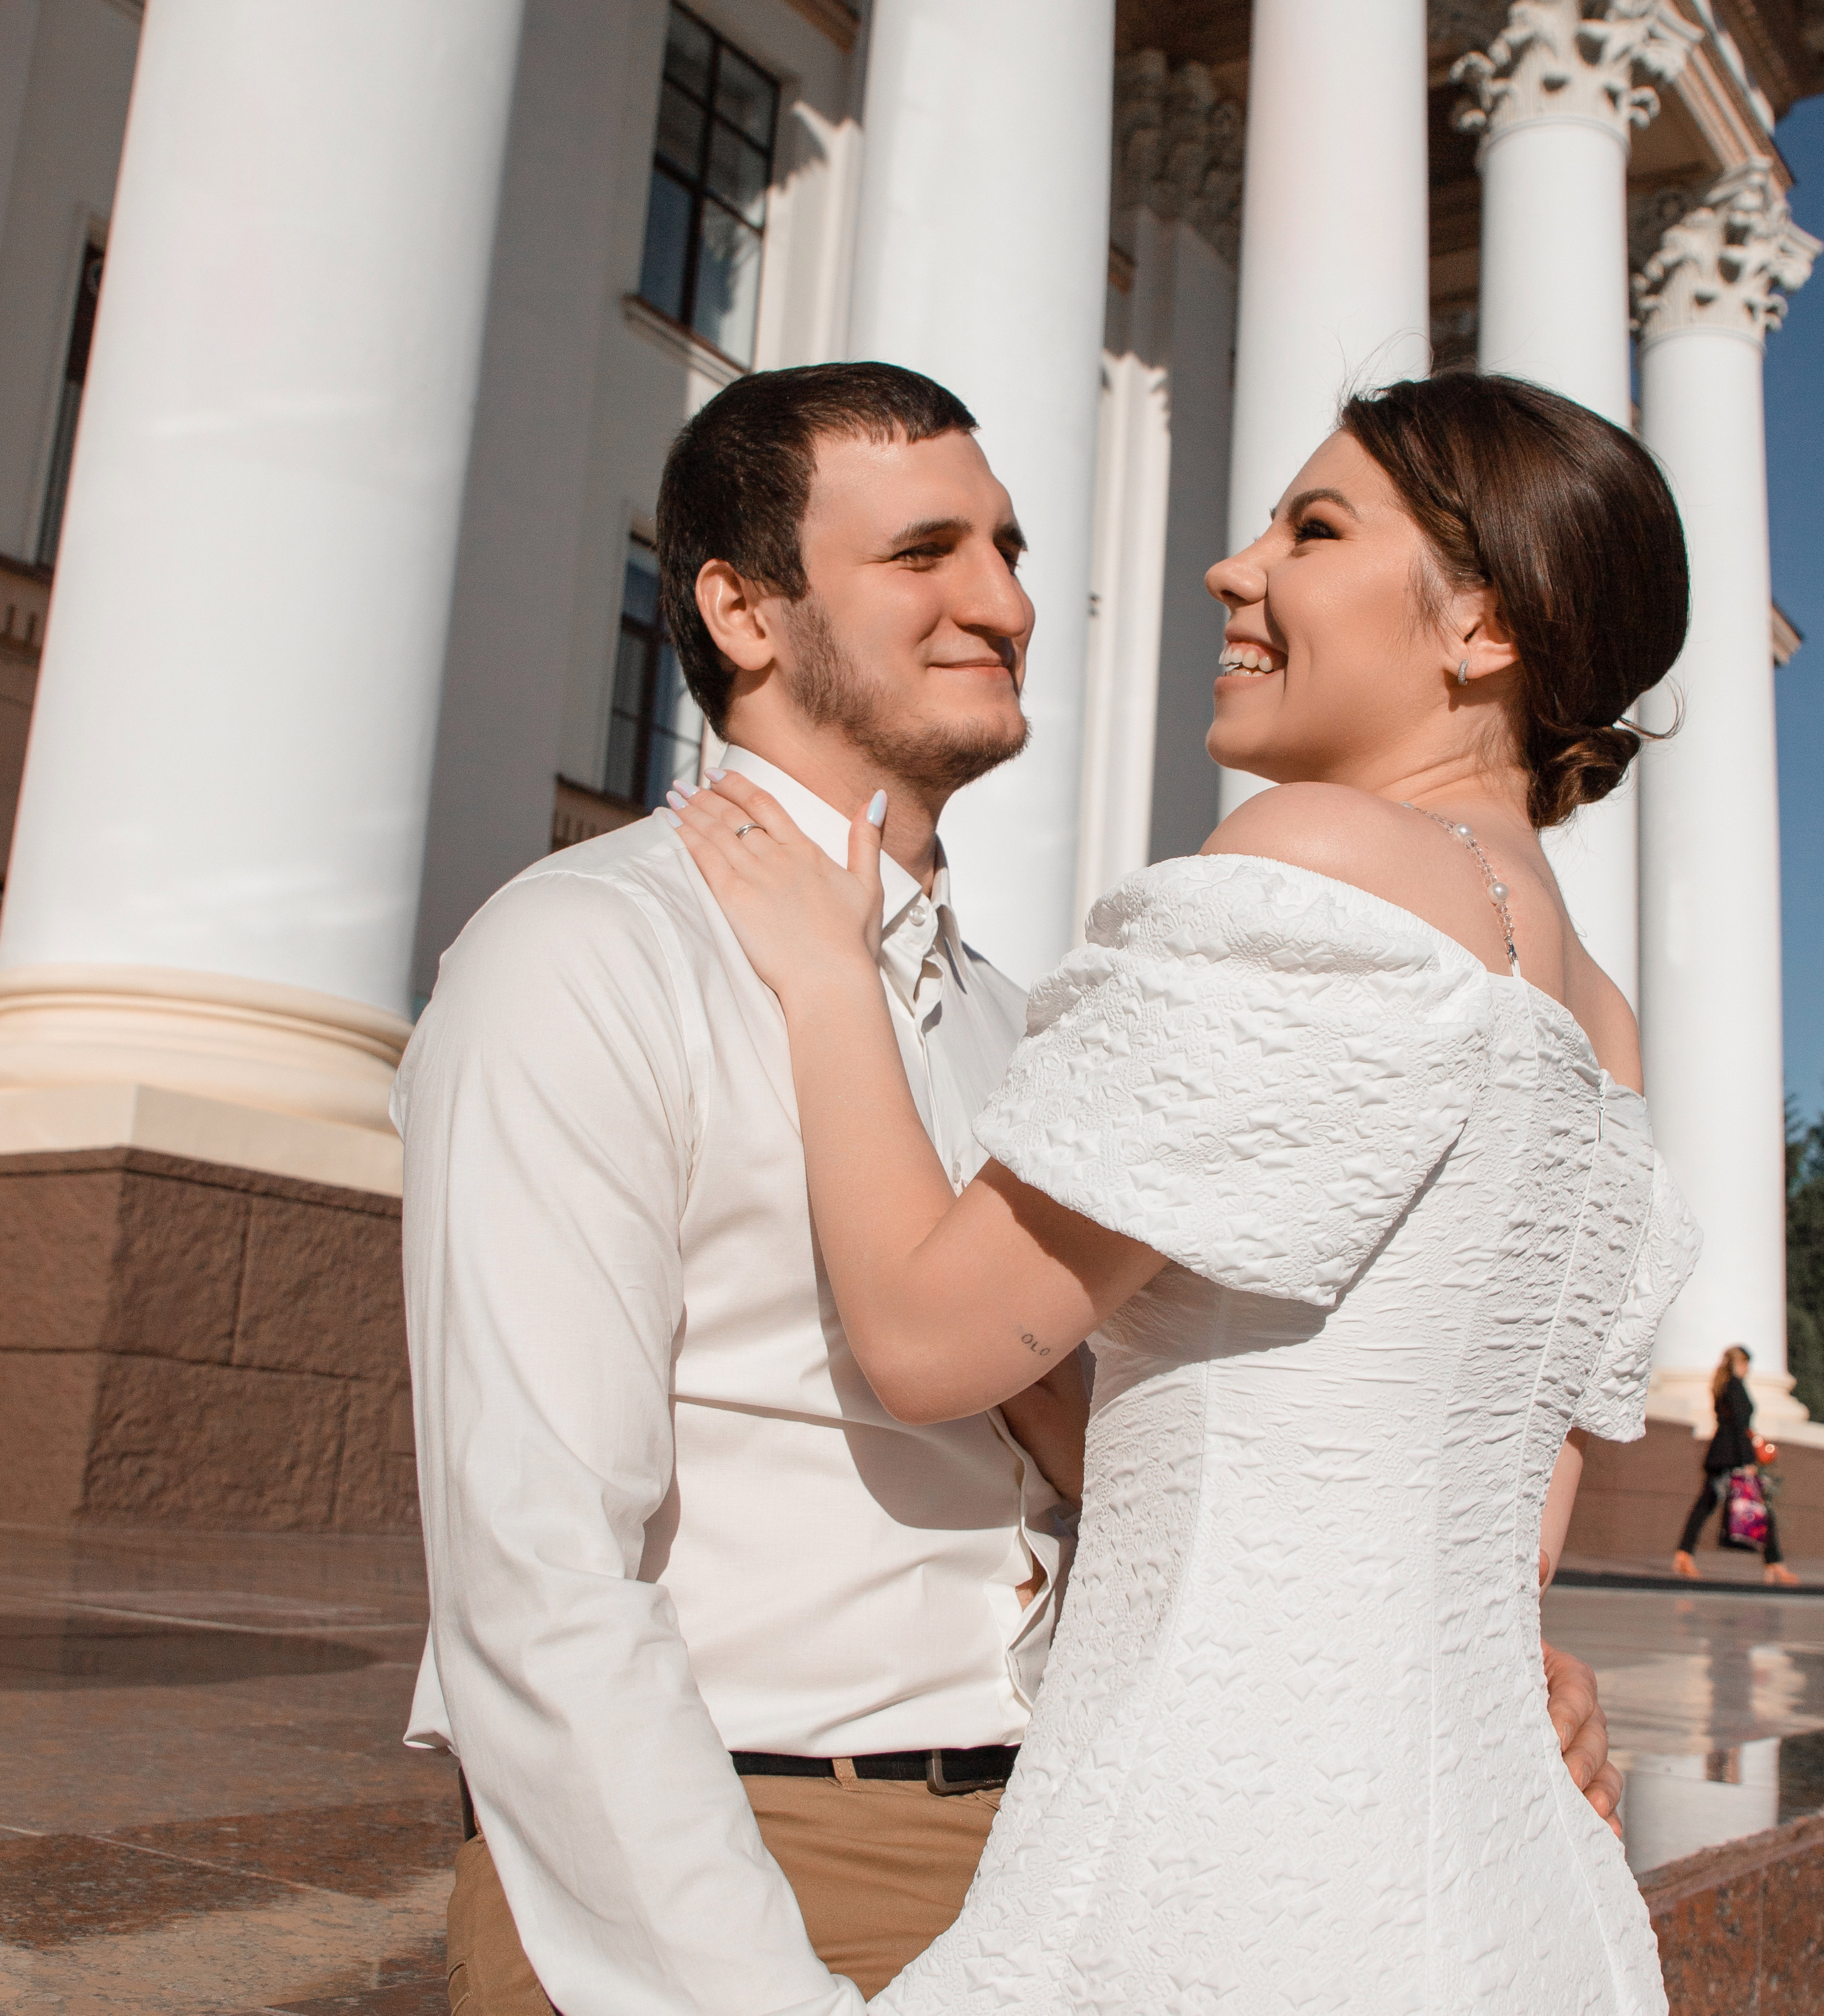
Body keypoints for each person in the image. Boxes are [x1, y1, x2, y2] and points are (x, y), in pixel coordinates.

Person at [396, 361, 1620, 2016]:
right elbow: (535, 1572)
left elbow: (1163, 1430)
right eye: (924, 553)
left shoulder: (1024, 1014)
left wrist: (1448, 1646)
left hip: (1078, 1858)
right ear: (742, 610)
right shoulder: (585, 955)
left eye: (1011, 547)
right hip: (752, 1864)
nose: (1004, 600)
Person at [1674, 1345, 1799, 1584]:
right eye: (1746, 1363)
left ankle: (1683, 1555)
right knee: (1762, 1510)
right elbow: (1740, 1428)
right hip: (1733, 1459)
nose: (1748, 1369)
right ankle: (1775, 1564)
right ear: (1738, 1363)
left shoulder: (1722, 1385)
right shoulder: (1735, 1386)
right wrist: (1748, 1462)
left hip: (1720, 1455)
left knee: (1705, 1505)